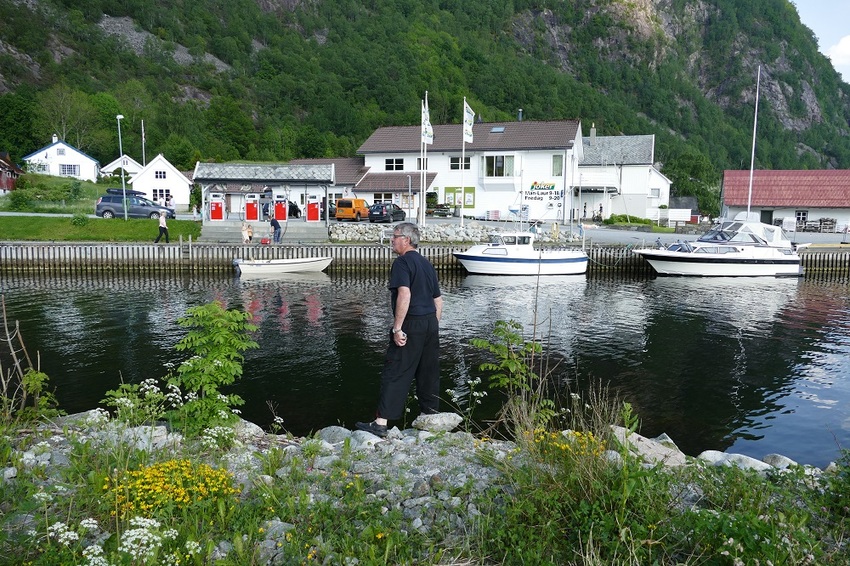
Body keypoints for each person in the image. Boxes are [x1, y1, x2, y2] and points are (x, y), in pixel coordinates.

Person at [356, 222, 443, 438]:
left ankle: (380, 423)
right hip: (430, 322)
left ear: (406, 239)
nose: (392, 240)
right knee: (428, 371)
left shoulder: (402, 263)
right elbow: (438, 299)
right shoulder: (426, 263)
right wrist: (433, 326)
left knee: (395, 371)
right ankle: (430, 416)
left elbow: (404, 294)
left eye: (394, 236)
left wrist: (397, 328)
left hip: (411, 322)